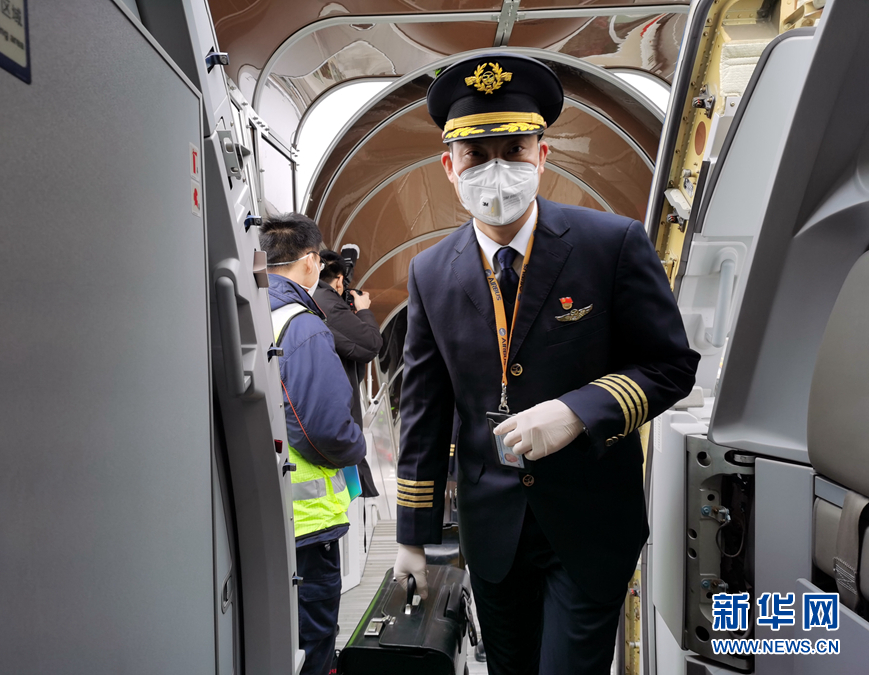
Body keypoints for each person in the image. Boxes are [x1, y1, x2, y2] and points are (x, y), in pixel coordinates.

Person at [392, 53, 700, 675]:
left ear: (543, 157)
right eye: (477, 155)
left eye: (514, 150)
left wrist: (576, 411)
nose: (496, 169)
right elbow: (425, 410)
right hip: (493, 531)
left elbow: (669, 364)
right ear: (450, 167)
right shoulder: (430, 272)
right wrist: (411, 537)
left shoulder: (611, 244)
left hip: (590, 522)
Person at [259, 214, 366, 675]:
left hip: (258, 516)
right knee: (313, 645)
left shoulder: (247, 313)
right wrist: (358, 446)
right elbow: (325, 430)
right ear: (309, 261)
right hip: (306, 524)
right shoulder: (303, 327)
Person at [313, 250, 383, 498]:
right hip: (335, 419)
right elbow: (371, 344)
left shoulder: (307, 299)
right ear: (340, 280)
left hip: (315, 413)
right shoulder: (328, 303)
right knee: (341, 492)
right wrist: (363, 311)